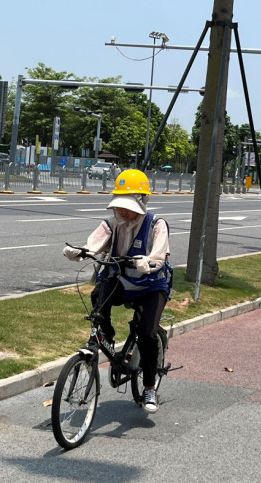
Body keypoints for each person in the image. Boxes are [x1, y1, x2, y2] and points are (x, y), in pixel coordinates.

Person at [63, 169, 171, 414]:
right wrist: (80, 251)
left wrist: (150, 262)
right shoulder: (113, 223)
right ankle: (107, 338)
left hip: (151, 286)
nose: (122, 211)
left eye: (128, 205)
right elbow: (95, 242)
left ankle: (150, 387)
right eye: (120, 206)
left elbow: (159, 254)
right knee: (97, 297)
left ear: (142, 202)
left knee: (146, 334)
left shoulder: (156, 224)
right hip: (122, 281)